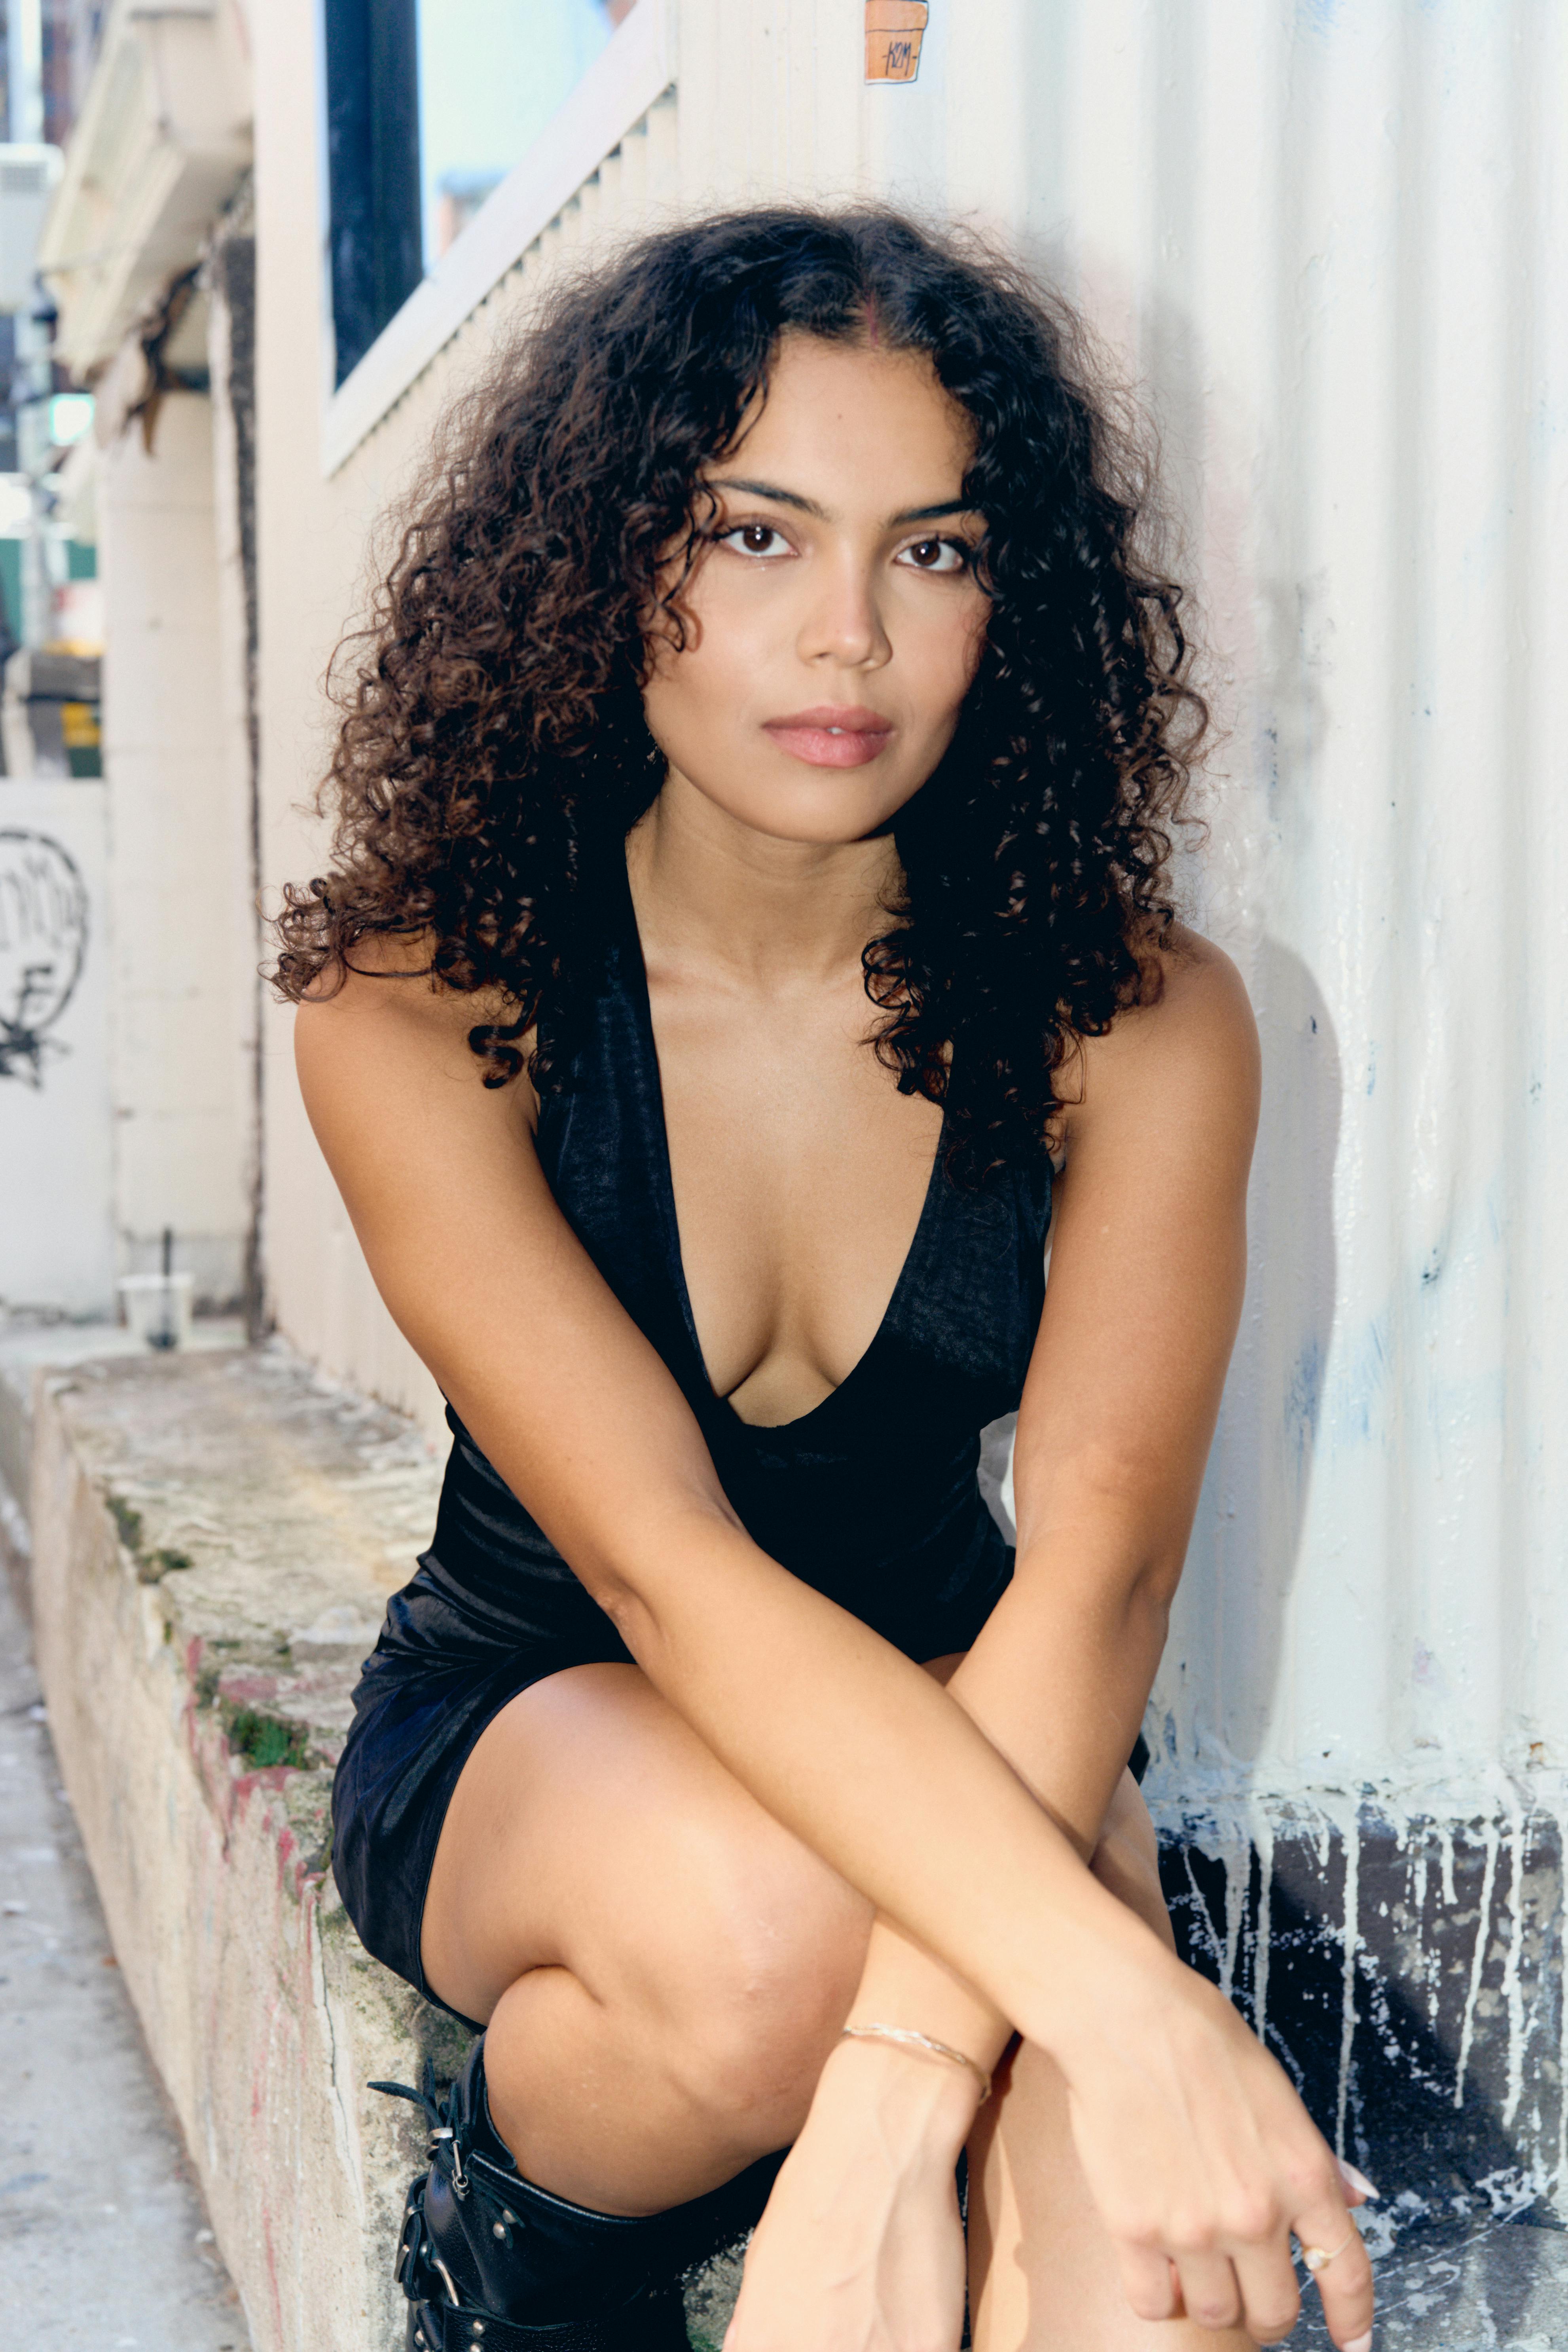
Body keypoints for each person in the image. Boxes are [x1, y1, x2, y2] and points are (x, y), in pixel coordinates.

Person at [275, 208, 1377, 2352]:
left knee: (1175, 2280)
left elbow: (1103, 1577)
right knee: (789, 1934)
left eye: (935, 552)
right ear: (610, 564)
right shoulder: (415, 1006)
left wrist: (911, 2108)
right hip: (546, 1719)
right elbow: (671, 1572)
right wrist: (1107, 2002)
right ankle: (530, 2234)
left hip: (980, 1718)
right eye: (759, 536)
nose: (849, 640)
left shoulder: (1137, 1017)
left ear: (1014, 598)